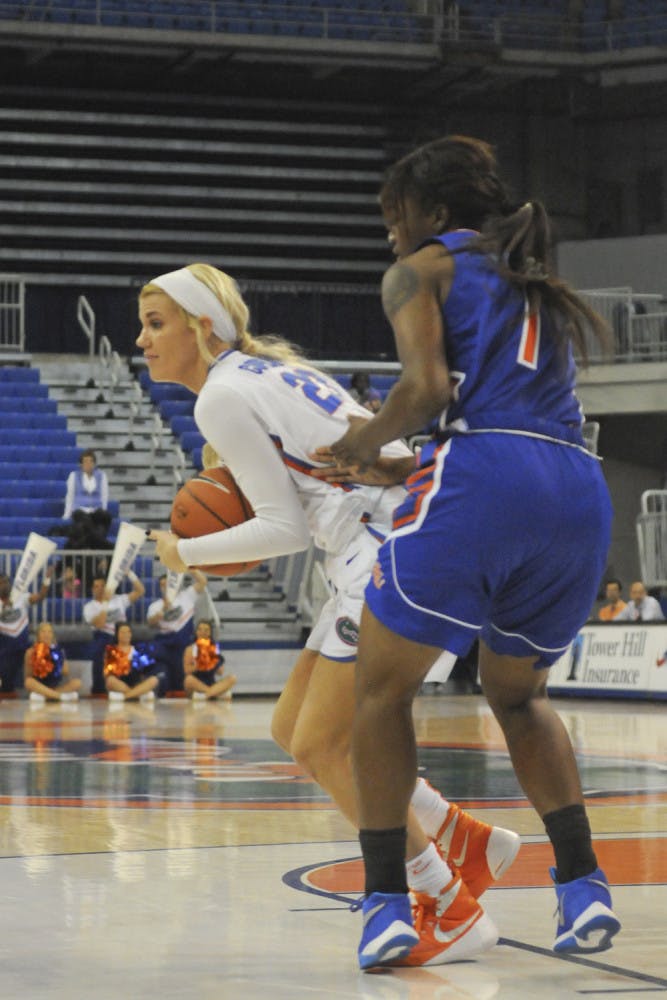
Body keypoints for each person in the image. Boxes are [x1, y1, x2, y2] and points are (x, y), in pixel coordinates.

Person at [138, 261, 520, 967]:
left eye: (155, 324)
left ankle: (447, 903)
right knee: (291, 727)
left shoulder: (222, 395)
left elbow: (281, 529)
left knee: (324, 744)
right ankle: (463, 840)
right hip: (384, 539)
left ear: (201, 327)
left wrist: (184, 551)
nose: (141, 340)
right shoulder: (263, 373)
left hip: (391, 545)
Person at [317, 134, 621, 968]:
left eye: (394, 216)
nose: (390, 234)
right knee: (518, 696)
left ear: (432, 212)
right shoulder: (532, 278)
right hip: (574, 491)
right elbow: (505, 412)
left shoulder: (419, 270)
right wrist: (402, 465)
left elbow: (424, 391)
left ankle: (387, 902)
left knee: (379, 693)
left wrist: (359, 442)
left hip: (483, 479)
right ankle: (583, 884)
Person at [83, 570, 145, 695]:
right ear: (92, 589)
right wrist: (105, 603)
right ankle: (99, 690)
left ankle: (134, 685)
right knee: (99, 650)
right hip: (103, 636)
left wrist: (129, 574)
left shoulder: (119, 600)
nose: (100, 589)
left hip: (123, 636)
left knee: (139, 651)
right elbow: (100, 624)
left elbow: (140, 591)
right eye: (96, 586)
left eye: (102, 586)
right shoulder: (89, 607)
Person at [146, 570, 208, 692]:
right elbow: (150, 623)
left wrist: (191, 569)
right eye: (162, 585)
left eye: (167, 584)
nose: (164, 587)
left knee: (182, 675)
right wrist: (162, 610)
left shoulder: (187, 595)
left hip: (184, 642)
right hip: (166, 644)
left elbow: (203, 582)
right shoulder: (155, 606)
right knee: (163, 674)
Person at [0, 570, 52, 695]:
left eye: (5, 582)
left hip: (24, 644)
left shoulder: (21, 597)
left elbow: (40, 597)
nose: (4, 585)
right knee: (6, 678)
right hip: (6, 646)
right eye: (1, 583)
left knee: (40, 654)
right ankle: (7, 691)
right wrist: (4, 607)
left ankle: (44, 690)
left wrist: (46, 580)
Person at [103, 622, 161, 703]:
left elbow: (146, 670)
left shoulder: (138, 650)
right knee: (110, 680)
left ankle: (125, 696)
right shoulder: (111, 650)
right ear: (117, 634)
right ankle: (138, 695)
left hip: (136, 681)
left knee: (154, 680)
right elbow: (108, 672)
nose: (126, 635)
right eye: (123, 632)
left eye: (128, 632)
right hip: (119, 682)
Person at [24, 621, 80, 704]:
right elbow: (27, 675)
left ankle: (45, 696)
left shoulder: (58, 650)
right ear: (38, 635)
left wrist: (53, 665)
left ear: (53, 635)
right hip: (39, 685)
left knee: (77, 683)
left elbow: (66, 671)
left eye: (49, 632)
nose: (46, 634)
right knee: (28, 682)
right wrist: (38, 666)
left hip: (56, 685)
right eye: (43, 631)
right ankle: (61, 697)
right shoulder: (31, 651)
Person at [183, 619, 236, 701]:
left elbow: (220, 672)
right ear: (196, 632)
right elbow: (187, 671)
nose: (202, 632)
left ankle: (205, 695)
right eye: (200, 629)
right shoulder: (190, 649)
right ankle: (215, 694)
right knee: (188, 680)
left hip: (211, 683)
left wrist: (213, 661)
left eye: (206, 630)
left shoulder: (214, 648)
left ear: (210, 633)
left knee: (232, 678)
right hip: (196, 684)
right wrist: (198, 664)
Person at [63, 448, 109, 521]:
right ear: (81, 464)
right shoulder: (74, 476)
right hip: (80, 510)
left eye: (91, 461)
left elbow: (104, 496)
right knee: (82, 517)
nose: (88, 464)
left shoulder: (102, 476)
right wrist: (66, 515)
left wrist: (103, 511)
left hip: (96, 510)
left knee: (105, 517)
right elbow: (70, 496)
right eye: (86, 461)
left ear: (94, 464)